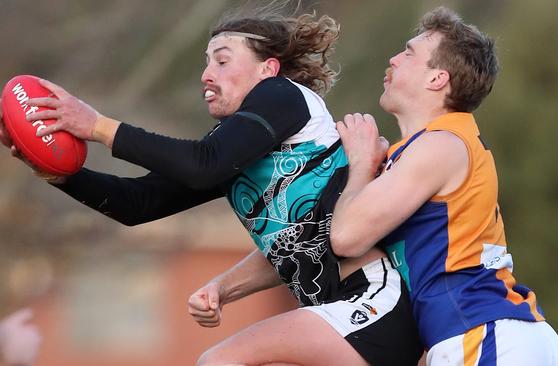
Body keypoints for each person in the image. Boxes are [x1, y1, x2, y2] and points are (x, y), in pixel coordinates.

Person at [0, 6, 422, 366]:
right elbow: (137, 204)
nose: (206, 74)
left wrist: (97, 126)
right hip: (335, 311)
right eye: (206, 62)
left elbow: (203, 165)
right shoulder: (236, 151)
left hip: (372, 301)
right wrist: (57, 172)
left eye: (221, 60)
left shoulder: (284, 96)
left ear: (268, 68)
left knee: (219, 360)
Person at [330, 6, 558, 366]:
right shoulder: (432, 146)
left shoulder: (441, 144)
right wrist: (225, 287)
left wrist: (362, 164)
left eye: (409, 52)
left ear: (437, 79)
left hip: (484, 334)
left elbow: (346, 237)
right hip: (496, 334)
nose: (394, 59)